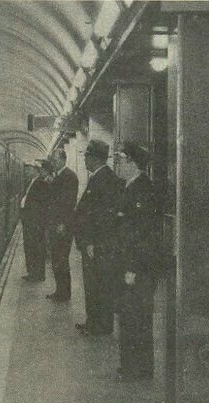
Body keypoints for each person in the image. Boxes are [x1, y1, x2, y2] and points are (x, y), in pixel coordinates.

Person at [112, 142, 161, 381]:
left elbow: (143, 233)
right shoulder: (130, 187)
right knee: (130, 316)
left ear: (132, 162)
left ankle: (138, 369)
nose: (117, 164)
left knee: (136, 317)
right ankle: (133, 366)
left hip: (138, 267)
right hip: (130, 264)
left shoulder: (143, 190)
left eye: (120, 160)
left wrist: (132, 267)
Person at [73, 139, 123, 335]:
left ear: (95, 158)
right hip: (92, 242)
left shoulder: (104, 179)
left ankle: (100, 325)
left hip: (96, 244)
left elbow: (102, 216)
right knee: (95, 285)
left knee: (99, 285)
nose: (85, 159)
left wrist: (92, 242)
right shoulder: (99, 177)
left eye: (87, 156)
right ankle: (94, 321)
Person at [45, 148, 79, 301]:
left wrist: (62, 223)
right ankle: (60, 290)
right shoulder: (59, 176)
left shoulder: (70, 176)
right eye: (53, 160)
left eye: (56, 160)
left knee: (61, 259)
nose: (54, 162)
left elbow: (68, 202)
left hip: (62, 226)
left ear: (63, 160)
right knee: (56, 258)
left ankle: (64, 293)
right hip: (55, 224)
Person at [20, 161, 50, 282]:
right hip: (30, 222)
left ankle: (37, 274)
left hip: (35, 223)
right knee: (31, 247)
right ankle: (32, 272)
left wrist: (39, 222)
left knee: (36, 248)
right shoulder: (33, 182)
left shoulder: (41, 183)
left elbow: (43, 204)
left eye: (29, 169)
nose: (26, 171)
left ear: (35, 170)